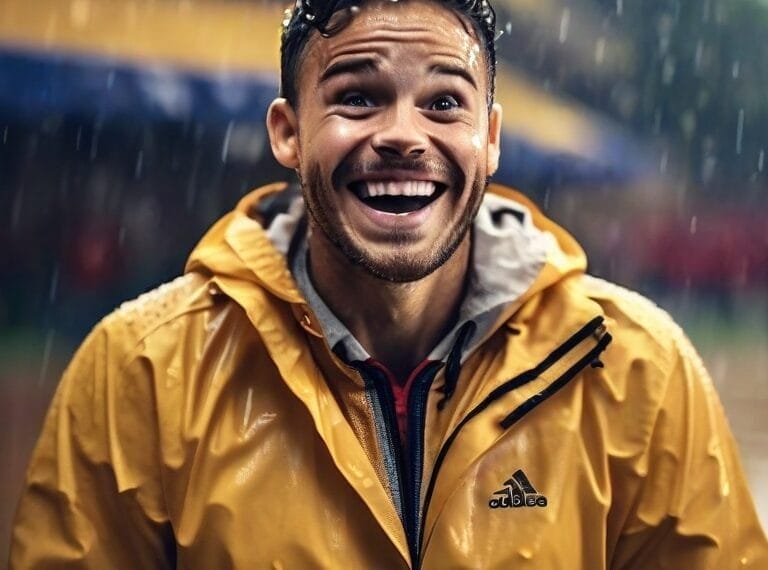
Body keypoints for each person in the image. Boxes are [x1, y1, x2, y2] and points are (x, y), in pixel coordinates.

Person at [10, 0, 768, 567]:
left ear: (491, 139)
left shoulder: (639, 369)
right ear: (287, 131)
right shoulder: (136, 373)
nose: (404, 134)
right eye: (358, 96)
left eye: (443, 103)